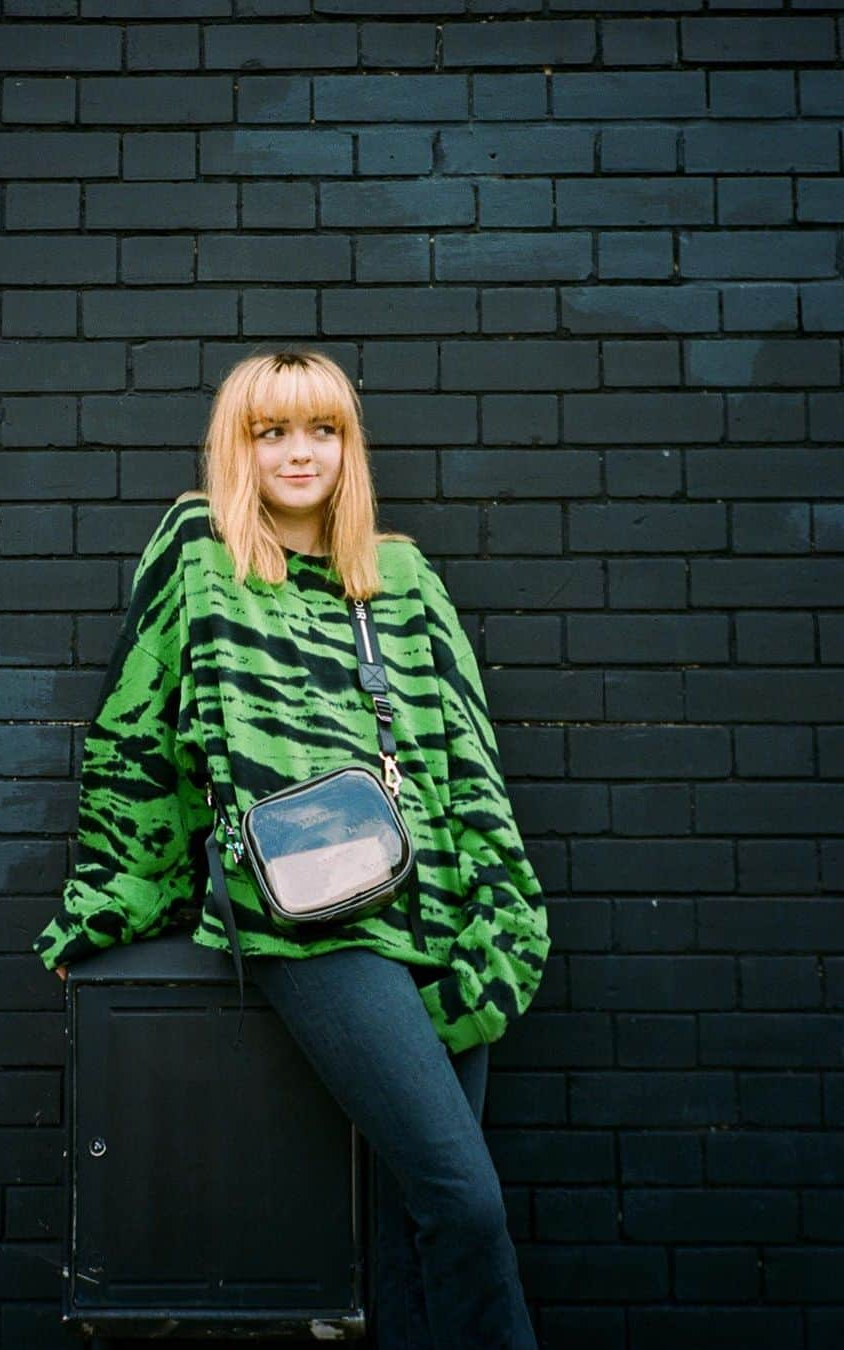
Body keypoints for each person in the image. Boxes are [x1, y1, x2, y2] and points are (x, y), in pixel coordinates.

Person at [32, 348, 551, 1349]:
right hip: (305, 916)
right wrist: (110, 896)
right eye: (273, 432)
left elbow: (468, 759)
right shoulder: (200, 553)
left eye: (322, 430)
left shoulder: (401, 574)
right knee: (466, 1200)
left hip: (435, 908)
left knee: (413, 1212)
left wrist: (499, 909)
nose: (300, 452)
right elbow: (137, 739)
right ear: (241, 446)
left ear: (348, 446)